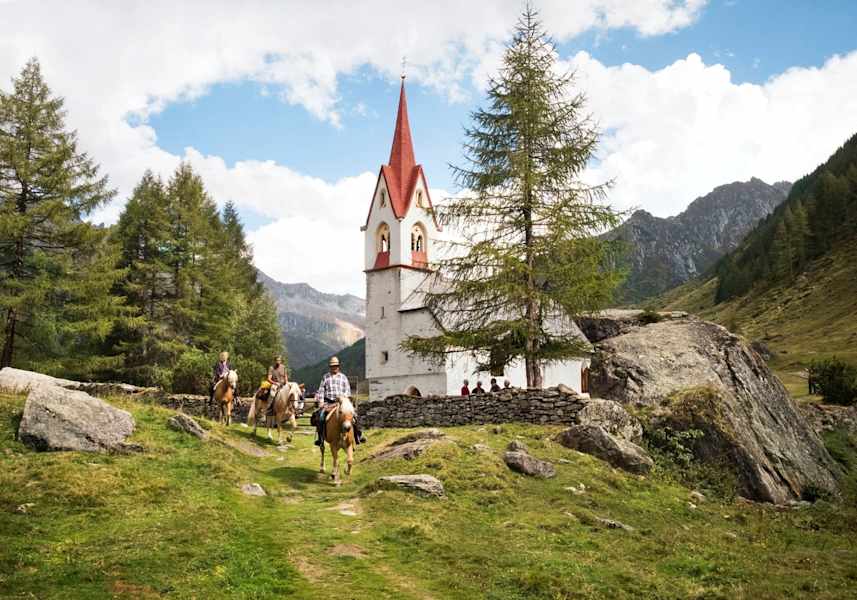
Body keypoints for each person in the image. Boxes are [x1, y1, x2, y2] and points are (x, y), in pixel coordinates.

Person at [315, 356, 365, 446]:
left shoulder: (343, 377)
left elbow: (347, 391)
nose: (334, 367)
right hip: (329, 402)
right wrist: (321, 402)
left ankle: (358, 436)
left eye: (336, 366)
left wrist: (343, 398)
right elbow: (321, 390)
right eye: (332, 366)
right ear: (330, 367)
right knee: (321, 416)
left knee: (354, 415)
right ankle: (320, 438)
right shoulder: (325, 377)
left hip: (342, 402)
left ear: (338, 366)